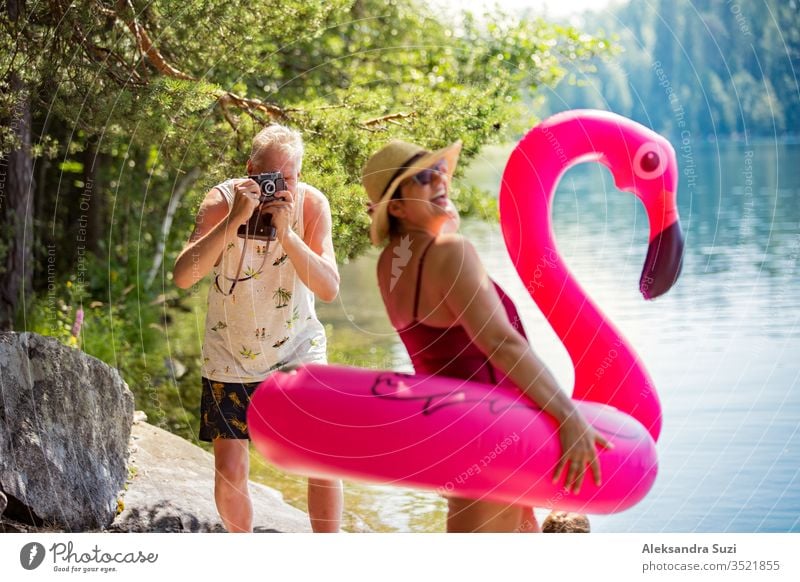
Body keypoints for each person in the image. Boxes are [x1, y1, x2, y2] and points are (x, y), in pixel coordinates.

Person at [362, 139, 611, 533]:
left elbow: (440, 346)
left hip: (451, 428)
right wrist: (569, 416)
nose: (440, 178)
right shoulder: (450, 252)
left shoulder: (390, 264)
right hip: (495, 431)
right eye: (425, 177)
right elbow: (501, 343)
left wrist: (441, 219)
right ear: (396, 207)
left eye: (441, 169)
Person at [174, 124, 342, 533]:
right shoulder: (222, 200)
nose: (279, 188)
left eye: (289, 178)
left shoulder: (311, 205)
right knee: (229, 467)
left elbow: (330, 288)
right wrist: (234, 220)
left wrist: (286, 232)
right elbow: (183, 275)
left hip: (296, 345)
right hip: (231, 350)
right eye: (269, 178)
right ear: (250, 169)